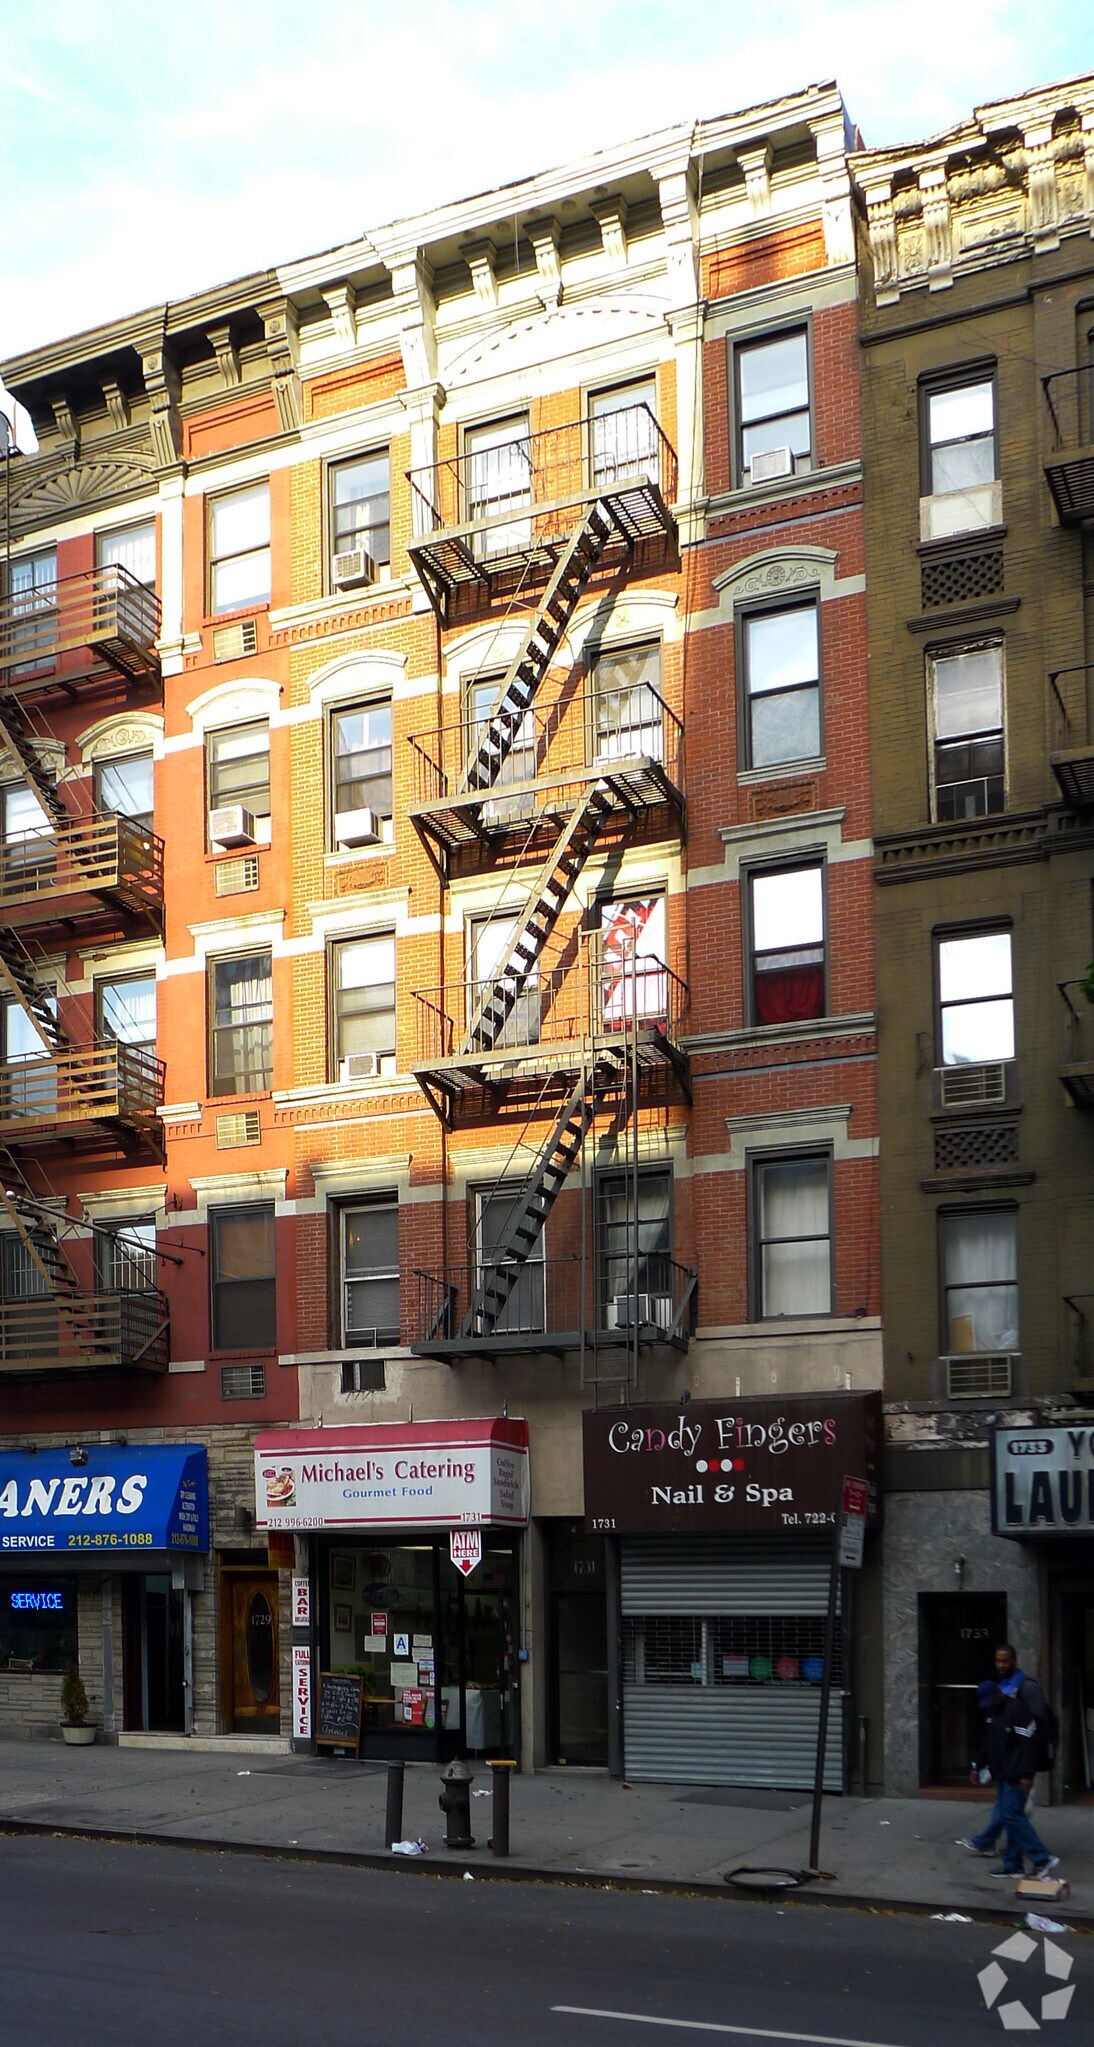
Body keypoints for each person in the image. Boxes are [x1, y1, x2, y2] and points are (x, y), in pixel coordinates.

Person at [956, 1644, 1060, 1879]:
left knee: (1013, 1815)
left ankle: (1042, 1858)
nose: (1001, 1665)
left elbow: (1030, 1741)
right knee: (1011, 1816)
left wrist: (1027, 1773)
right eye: (997, 1661)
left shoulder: (1018, 1708)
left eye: (1005, 1660)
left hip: (1017, 1772)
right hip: (1002, 1771)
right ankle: (1012, 1863)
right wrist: (978, 1765)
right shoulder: (992, 1710)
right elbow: (987, 1741)